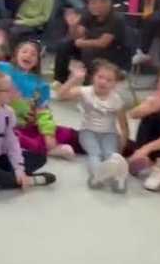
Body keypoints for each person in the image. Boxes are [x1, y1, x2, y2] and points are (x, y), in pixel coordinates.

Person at [0, 32, 68, 161]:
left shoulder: (41, 85)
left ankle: (46, 147)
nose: (28, 55)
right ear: (16, 54)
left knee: (51, 134)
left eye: (33, 54)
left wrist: (49, 136)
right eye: (24, 51)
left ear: (37, 61)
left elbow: (43, 112)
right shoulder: (3, 68)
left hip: (19, 125)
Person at [54, 60, 130, 191]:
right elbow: (60, 95)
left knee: (110, 154)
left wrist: (121, 149)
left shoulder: (116, 100)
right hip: (87, 131)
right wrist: (74, 79)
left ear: (115, 84)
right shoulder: (85, 91)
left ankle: (119, 177)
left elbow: (124, 127)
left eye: (109, 80)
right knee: (95, 153)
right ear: (93, 77)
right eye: (100, 77)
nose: (103, 81)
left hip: (109, 133)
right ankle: (97, 175)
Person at [53, 0, 131, 83]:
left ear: (107, 3)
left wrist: (82, 43)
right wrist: (73, 26)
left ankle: (89, 84)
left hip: (114, 53)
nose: (90, 5)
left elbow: (103, 43)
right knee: (64, 44)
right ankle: (60, 80)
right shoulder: (89, 14)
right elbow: (77, 36)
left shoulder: (116, 18)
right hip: (90, 48)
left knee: (89, 50)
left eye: (94, 2)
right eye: (89, 2)